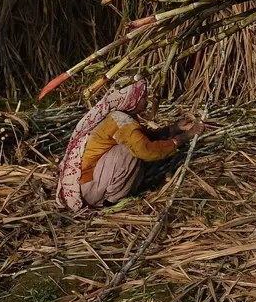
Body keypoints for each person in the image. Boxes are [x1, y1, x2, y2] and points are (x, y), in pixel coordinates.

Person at [56, 79, 204, 211]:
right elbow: (145, 149)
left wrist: (175, 129)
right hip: (87, 188)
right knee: (129, 151)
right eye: (143, 96)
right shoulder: (121, 121)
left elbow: (143, 136)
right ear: (132, 99)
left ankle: (112, 193)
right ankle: (111, 201)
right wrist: (184, 137)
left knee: (133, 148)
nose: (147, 100)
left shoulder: (118, 117)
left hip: (84, 185)